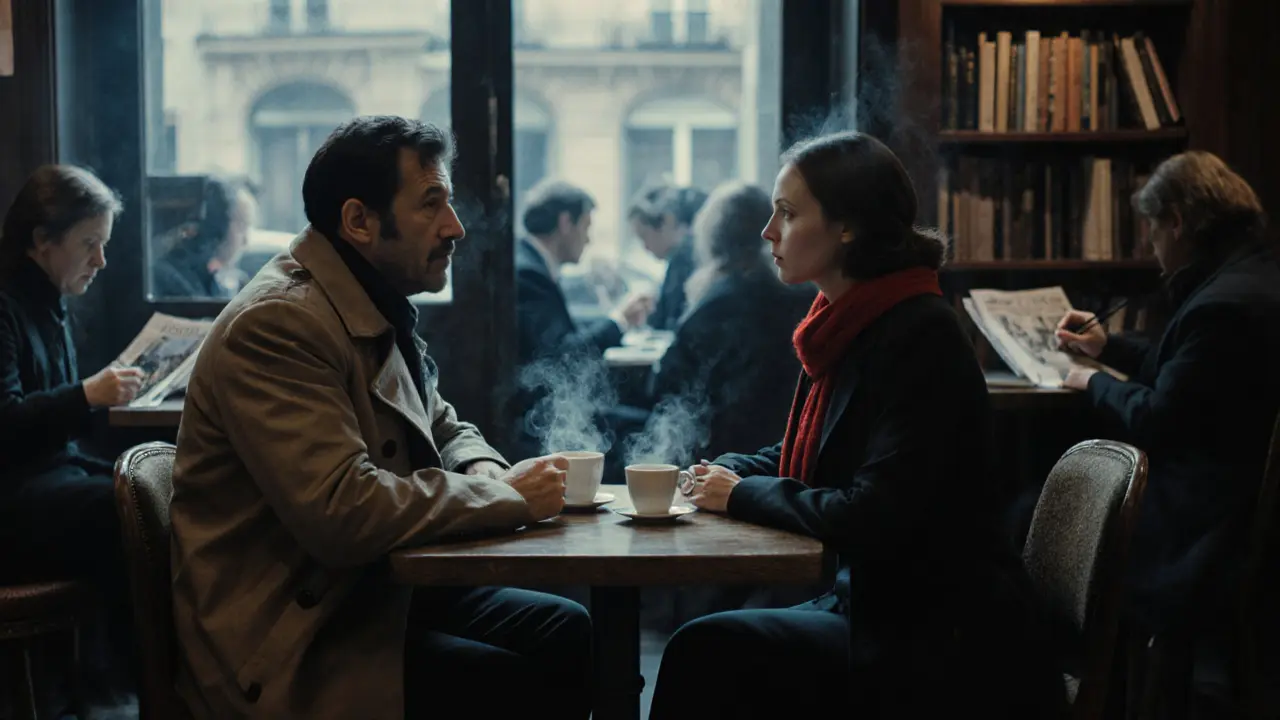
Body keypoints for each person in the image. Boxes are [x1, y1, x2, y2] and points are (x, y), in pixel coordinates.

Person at [168, 117, 592, 719]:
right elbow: (343, 511)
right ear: (359, 222)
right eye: (431, 204)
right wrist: (507, 499)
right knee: (505, 680)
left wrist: (492, 474)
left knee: (565, 628)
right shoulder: (279, 324)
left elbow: (444, 425)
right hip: (291, 639)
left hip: (365, 597)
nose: (456, 227)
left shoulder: (368, 297)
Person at [648, 132, 1065, 719]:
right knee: (708, 642)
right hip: (878, 605)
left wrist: (741, 495)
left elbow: (873, 513)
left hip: (938, 631)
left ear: (847, 226)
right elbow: (817, 451)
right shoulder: (853, 321)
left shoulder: (920, 334)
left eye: (788, 214)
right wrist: (731, 471)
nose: (768, 231)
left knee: (702, 649)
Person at [1054, 151, 1280, 704]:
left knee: (1033, 525)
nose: (1152, 249)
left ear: (1177, 222)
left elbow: (1159, 419)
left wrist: (1089, 382)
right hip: (1239, 503)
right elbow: (1192, 374)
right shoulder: (1254, 278)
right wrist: (1109, 349)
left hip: (1202, 528)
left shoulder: (1221, 304)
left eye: (1153, 231)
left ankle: (1073, 696)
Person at [0, 164, 144, 702]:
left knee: (158, 485)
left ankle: (139, 680)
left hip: (44, 478)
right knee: (126, 509)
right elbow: (8, 424)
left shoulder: (51, 303)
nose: (101, 261)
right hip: (11, 497)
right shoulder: (5, 306)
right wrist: (86, 395)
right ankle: (130, 682)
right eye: (90, 244)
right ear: (42, 240)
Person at [649, 180, 814, 462]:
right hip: (789, 444)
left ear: (713, 237)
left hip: (720, 451)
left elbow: (665, 385)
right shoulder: (803, 292)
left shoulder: (718, 301)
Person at [515, 178, 652, 367]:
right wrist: (620, 320)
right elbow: (563, 355)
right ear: (565, 222)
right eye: (586, 227)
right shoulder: (530, 276)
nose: (588, 240)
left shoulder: (531, 265)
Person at [151, 174, 256, 298]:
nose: (245, 241)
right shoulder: (172, 280)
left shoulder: (233, 284)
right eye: (242, 225)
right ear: (218, 224)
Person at [627, 183, 707, 330]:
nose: (645, 247)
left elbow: (667, 323)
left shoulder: (683, 259)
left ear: (667, 221)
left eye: (644, 236)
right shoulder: (684, 256)